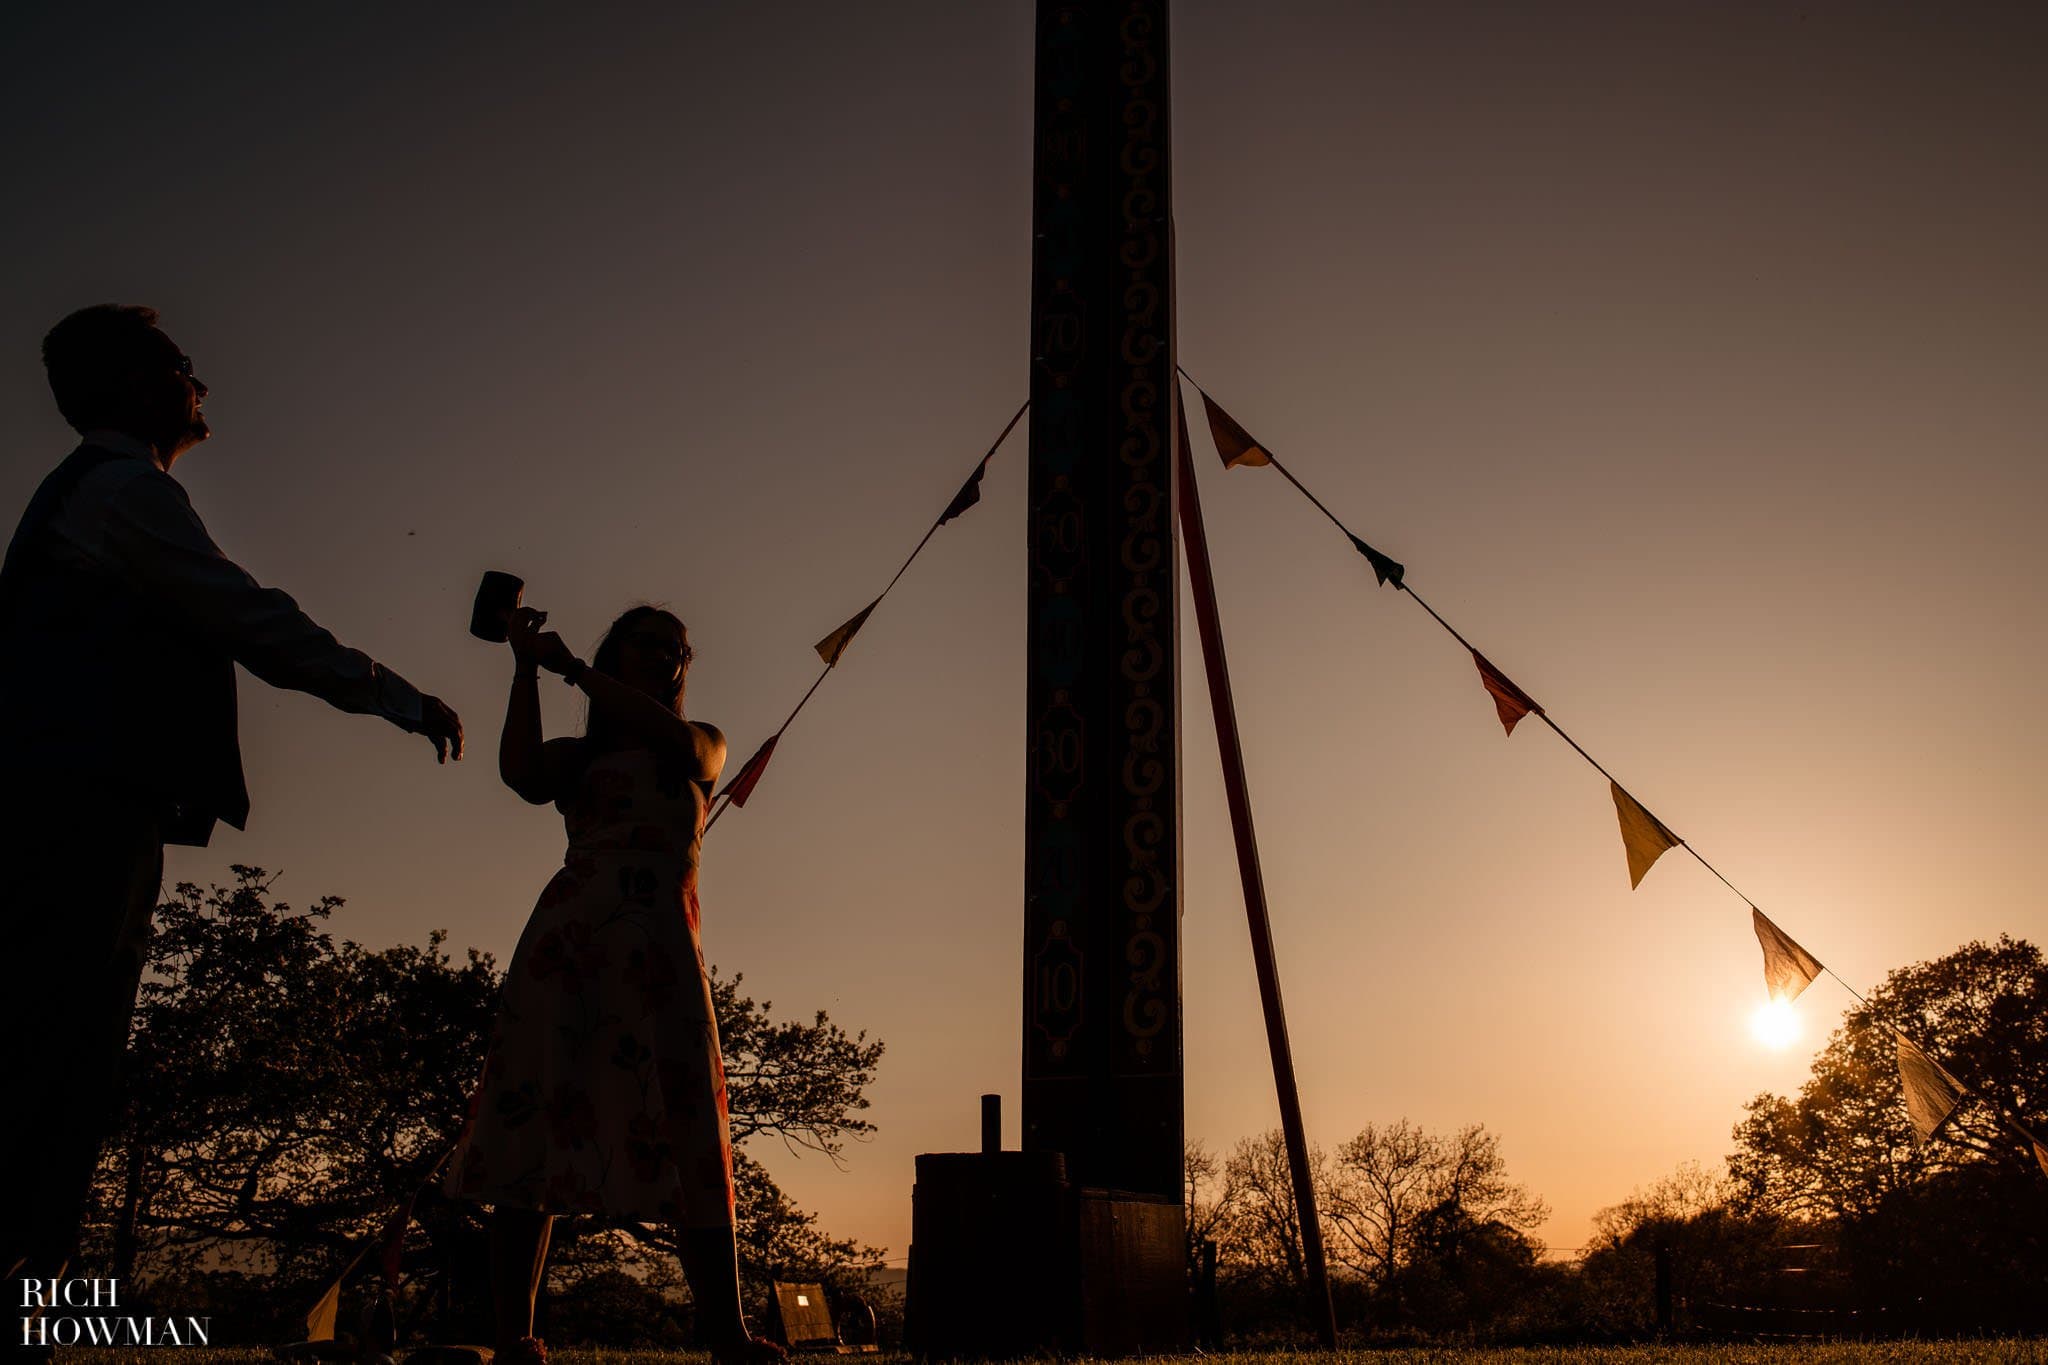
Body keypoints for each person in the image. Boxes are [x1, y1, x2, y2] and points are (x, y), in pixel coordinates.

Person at [0, 305, 465, 1322]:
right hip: (77, 808)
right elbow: (254, 619)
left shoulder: (88, 493)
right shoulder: (126, 490)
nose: (199, 379)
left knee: (52, 1052)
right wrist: (399, 697)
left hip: (70, 802)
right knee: (59, 1058)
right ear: (134, 385)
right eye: (179, 364)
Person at [447, 604, 780, 1365]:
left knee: (691, 1124)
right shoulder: (582, 757)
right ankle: (514, 1336)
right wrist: (526, 668)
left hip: (662, 951)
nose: (665, 656)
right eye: (647, 643)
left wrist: (571, 669)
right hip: (570, 943)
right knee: (535, 1125)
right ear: (617, 651)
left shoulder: (703, 742)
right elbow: (521, 774)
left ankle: (726, 1332)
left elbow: (688, 750)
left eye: (676, 649)